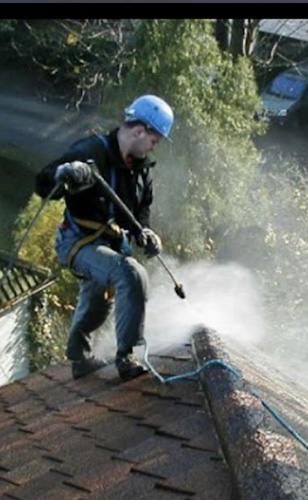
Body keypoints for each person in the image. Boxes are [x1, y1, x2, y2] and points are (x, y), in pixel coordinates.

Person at [35, 95, 174, 381]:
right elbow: (43, 181)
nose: (153, 147)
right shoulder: (90, 152)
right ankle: (126, 356)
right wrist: (66, 172)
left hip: (110, 243)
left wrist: (144, 232)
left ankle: (79, 357)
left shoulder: (140, 171)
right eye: (154, 140)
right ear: (139, 131)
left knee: (101, 299)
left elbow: (141, 209)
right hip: (77, 241)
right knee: (131, 274)